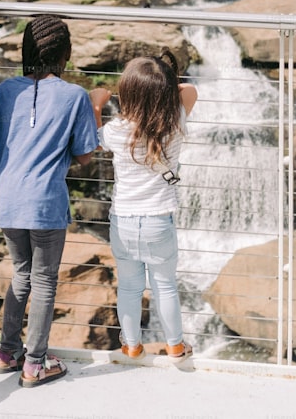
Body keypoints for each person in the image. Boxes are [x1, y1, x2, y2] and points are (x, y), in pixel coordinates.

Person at [0, 15, 98, 387]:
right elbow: (86, 154)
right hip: (46, 205)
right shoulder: (75, 96)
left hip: (9, 202)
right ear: (66, 55)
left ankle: (7, 352)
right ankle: (36, 363)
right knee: (44, 280)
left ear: (25, 50)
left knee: (21, 274)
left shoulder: (7, 90)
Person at [89, 52, 197, 361]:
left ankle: (132, 345)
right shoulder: (175, 119)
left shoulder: (116, 130)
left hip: (122, 221)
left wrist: (97, 104)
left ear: (128, 94)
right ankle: (175, 345)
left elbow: (95, 142)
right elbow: (190, 90)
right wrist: (161, 86)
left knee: (130, 288)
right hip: (158, 220)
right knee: (165, 286)